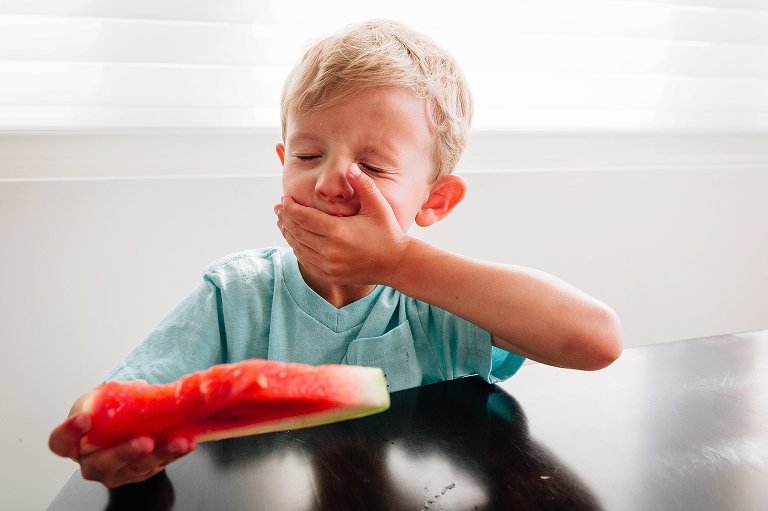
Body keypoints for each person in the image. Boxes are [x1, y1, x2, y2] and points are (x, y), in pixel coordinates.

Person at [49, 19, 623, 488]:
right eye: (306, 155)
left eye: (372, 166)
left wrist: (400, 263)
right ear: (282, 162)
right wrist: (105, 435)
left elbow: (597, 340)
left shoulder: (443, 305)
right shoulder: (237, 295)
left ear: (436, 200)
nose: (329, 181)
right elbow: (119, 397)